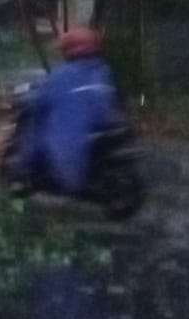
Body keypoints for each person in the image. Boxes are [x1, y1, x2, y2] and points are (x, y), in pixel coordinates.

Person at [25, 27, 123, 194]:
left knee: (37, 135)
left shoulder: (64, 74)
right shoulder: (102, 70)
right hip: (104, 129)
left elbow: (43, 99)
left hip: (73, 145)